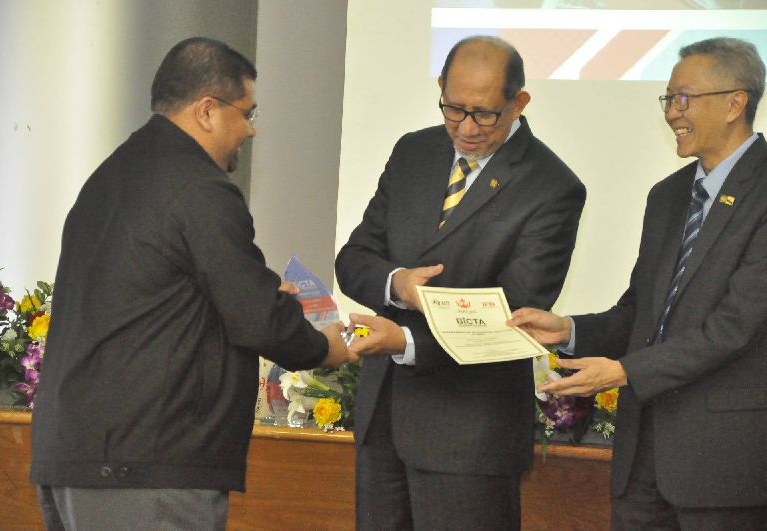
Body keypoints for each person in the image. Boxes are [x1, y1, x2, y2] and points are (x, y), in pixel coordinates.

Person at [30, 37, 354, 530]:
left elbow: (166, 296)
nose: (251, 129)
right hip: (147, 467)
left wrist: (258, 296)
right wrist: (325, 347)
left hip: (75, 454)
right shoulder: (200, 187)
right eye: (247, 112)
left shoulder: (110, 177)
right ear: (207, 110)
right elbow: (255, 319)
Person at [508, 37, 767, 530]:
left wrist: (623, 371)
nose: (671, 112)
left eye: (683, 98)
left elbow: (735, 328)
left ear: (736, 103)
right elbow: (640, 312)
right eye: (668, 98)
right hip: (642, 463)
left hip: (726, 468)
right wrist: (568, 329)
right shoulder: (667, 196)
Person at [335, 36, 586, 530]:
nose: (466, 128)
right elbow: (355, 258)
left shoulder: (552, 186)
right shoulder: (415, 151)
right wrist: (398, 284)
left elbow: (514, 314)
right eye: (453, 109)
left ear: (519, 103)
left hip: (470, 435)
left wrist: (406, 340)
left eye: (485, 114)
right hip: (383, 420)